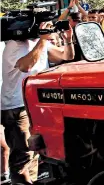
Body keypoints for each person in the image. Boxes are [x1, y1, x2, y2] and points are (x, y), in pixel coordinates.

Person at [1, 22, 75, 184]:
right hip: (17, 106)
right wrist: (42, 40)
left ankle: (31, 181)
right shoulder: (14, 46)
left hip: (34, 104)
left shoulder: (39, 43)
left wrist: (69, 39)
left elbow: (66, 56)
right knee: (23, 155)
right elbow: (26, 66)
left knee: (35, 151)